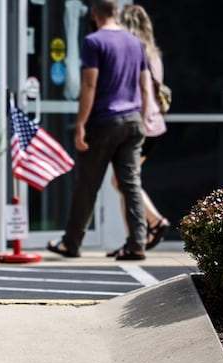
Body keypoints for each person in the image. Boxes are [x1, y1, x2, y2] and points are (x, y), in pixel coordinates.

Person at [47, 0, 150, 260]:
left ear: (93, 14)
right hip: (133, 120)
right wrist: (144, 119)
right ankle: (137, 242)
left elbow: (90, 86)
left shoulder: (94, 41)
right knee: (131, 184)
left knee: (88, 184)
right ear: (116, 12)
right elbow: (145, 86)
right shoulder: (135, 42)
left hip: (105, 121)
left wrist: (80, 124)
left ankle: (71, 243)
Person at [106, 4, 169, 257]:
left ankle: (154, 221)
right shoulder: (153, 54)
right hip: (154, 126)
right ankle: (133, 239)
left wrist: (137, 126)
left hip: (141, 126)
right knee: (125, 182)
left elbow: (141, 92)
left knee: (122, 181)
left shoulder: (134, 52)